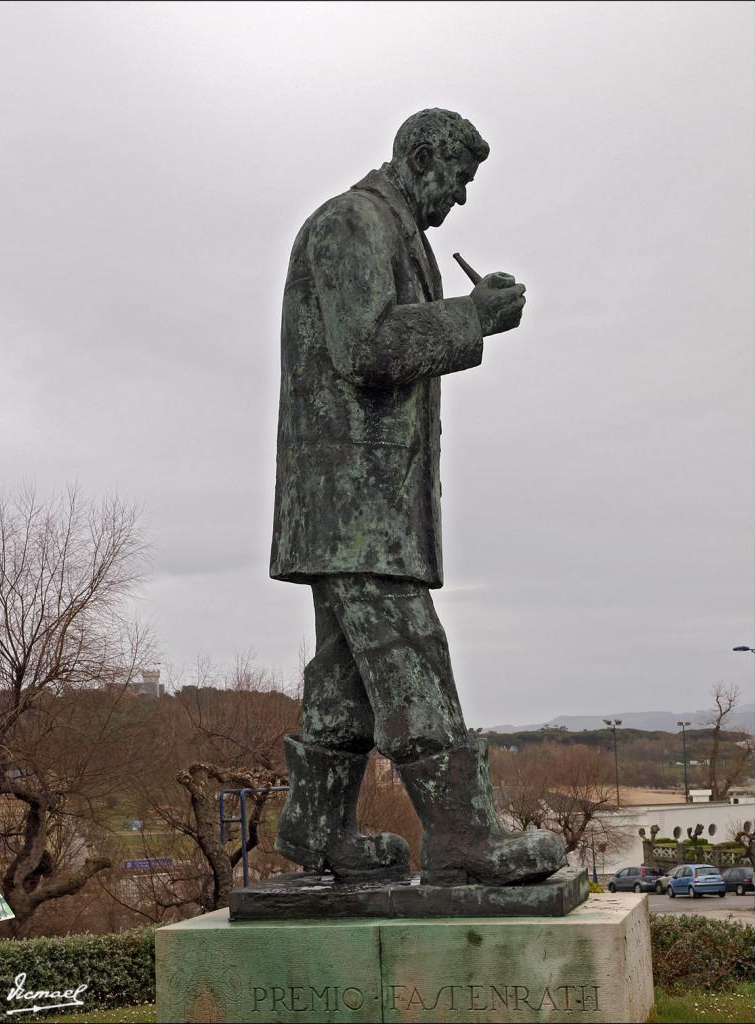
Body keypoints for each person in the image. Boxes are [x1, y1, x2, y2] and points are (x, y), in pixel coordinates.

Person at [270, 108, 565, 885]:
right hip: (351, 509)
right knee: (411, 657)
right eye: (459, 178)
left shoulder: (398, 235)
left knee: (343, 677)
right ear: (423, 156)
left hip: (360, 513)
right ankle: (465, 836)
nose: (460, 198)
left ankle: (317, 832)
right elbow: (364, 346)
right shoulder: (353, 223)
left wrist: (462, 313)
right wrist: (473, 317)